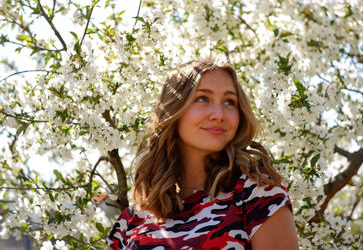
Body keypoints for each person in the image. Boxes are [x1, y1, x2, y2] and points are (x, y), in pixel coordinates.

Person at [107, 59, 298, 249]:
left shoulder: (258, 192)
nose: (219, 114)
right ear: (174, 110)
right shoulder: (133, 219)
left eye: (230, 102)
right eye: (203, 99)